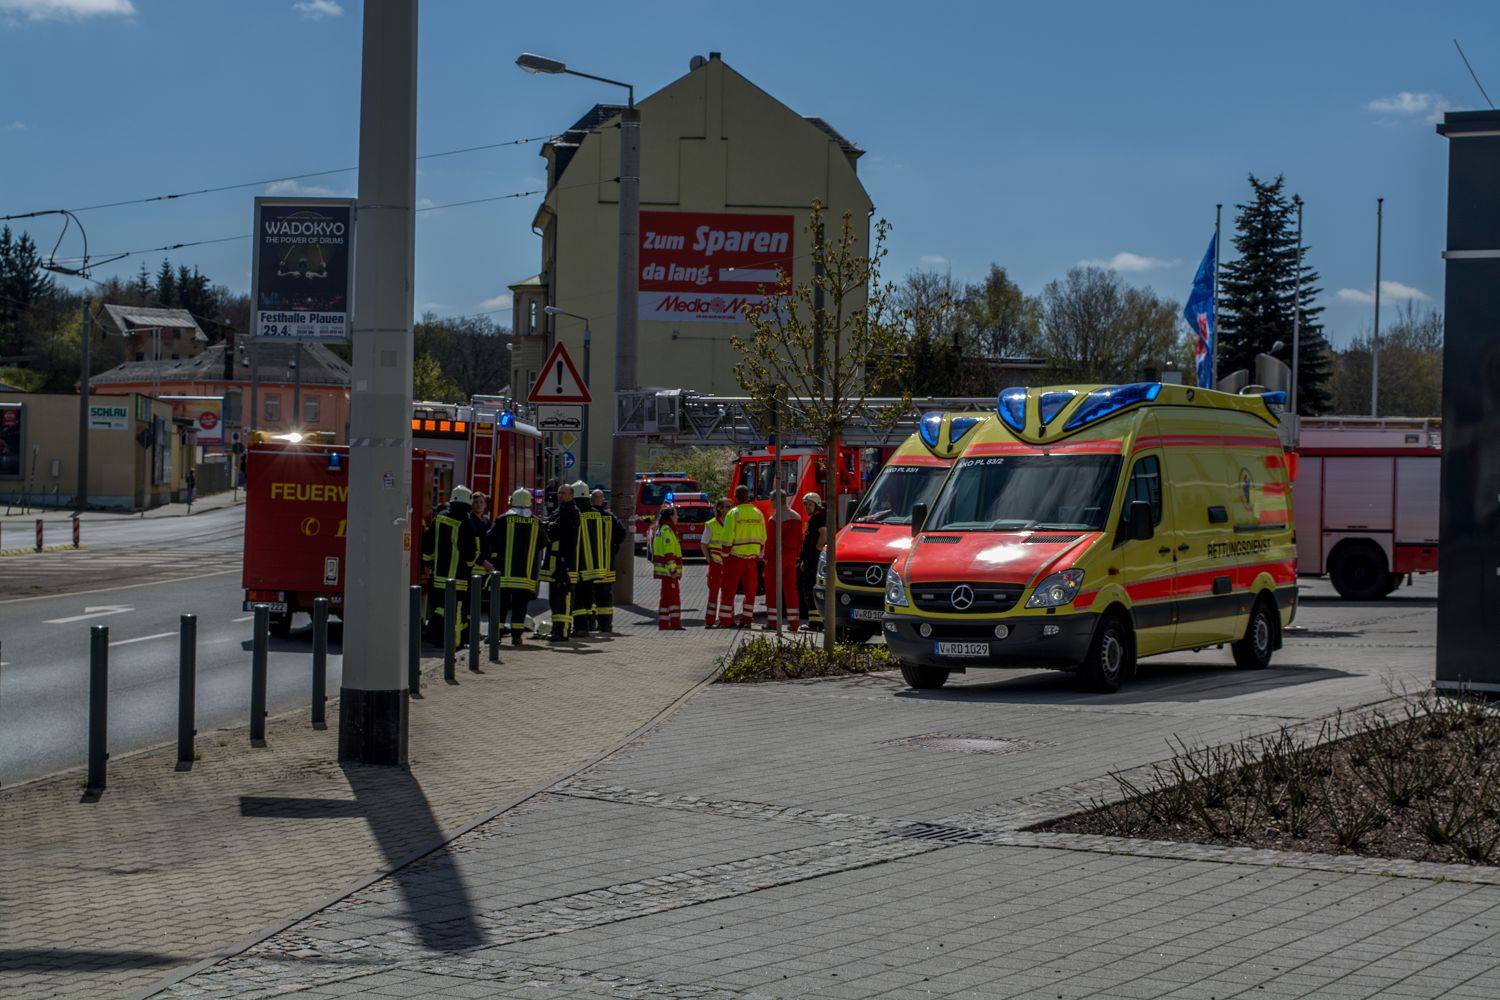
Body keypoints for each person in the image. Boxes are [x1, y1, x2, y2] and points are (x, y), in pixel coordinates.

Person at [421, 484, 482, 647]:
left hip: (439, 574)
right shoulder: (467, 523)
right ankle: (454, 642)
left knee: (441, 606)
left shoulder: (439, 518)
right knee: (457, 610)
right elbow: (470, 553)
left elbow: (429, 542)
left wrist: (426, 562)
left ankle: (434, 636)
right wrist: (470, 564)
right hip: (458, 576)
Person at [488, 488, 547, 646]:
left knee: (500, 606)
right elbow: (542, 543)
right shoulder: (536, 522)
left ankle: (496, 636)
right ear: (529, 503)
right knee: (520, 607)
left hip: (504, 575)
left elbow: (490, 540)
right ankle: (516, 637)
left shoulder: (502, 520)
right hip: (526, 576)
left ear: (512, 501)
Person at [720, 484, 766, 628]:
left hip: (734, 558)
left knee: (729, 590)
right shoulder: (758, 513)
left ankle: (726, 621)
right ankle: (747, 619)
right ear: (748, 496)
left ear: (736, 496)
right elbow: (763, 538)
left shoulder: (733, 513)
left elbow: (727, 538)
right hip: (751, 559)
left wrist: (725, 555)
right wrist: (758, 554)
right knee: (751, 590)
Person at [584, 488, 626, 635]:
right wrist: (612, 547)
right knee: (605, 597)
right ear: (601, 500)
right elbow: (621, 534)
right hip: (607, 564)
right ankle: (606, 626)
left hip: (589, 565)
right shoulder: (610, 517)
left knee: (590, 596)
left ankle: (590, 624)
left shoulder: (585, 516)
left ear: (591, 500)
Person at [543, 482, 580, 642]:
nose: (560, 496)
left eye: (563, 493)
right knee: (554, 599)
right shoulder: (559, 511)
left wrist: (550, 527)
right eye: (559, 493)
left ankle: (563, 631)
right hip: (555, 563)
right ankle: (556, 629)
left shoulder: (572, 512)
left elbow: (565, 535)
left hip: (565, 563)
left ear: (571, 495)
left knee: (564, 599)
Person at [767, 490, 804, 631]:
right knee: (791, 589)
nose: (770, 503)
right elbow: (800, 539)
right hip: (792, 556)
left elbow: (770, 543)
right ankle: (794, 623)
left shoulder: (774, 519)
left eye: (771, 500)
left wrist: (766, 558)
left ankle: (772, 622)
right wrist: (797, 556)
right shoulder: (797, 516)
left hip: (777, 556)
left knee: (772, 588)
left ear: (776, 500)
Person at [568, 480, 597, 634]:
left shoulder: (574, 513)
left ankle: (580, 627)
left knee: (578, 596)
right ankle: (591, 623)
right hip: (594, 565)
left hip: (578, 564)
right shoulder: (598, 515)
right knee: (590, 596)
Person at [651, 505, 685, 630]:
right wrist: (673, 571)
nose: (678, 517)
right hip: (669, 572)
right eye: (676, 514)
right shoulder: (667, 531)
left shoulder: (662, 529)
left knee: (665, 598)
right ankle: (675, 623)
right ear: (670, 516)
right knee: (674, 597)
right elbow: (669, 554)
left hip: (665, 573)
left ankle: (664, 623)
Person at [701, 497, 733, 629]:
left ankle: (727, 620)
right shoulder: (711, 524)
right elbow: (704, 544)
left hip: (729, 564)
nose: (730, 509)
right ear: (720, 509)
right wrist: (709, 559)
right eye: (728, 507)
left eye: (730, 506)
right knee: (713, 593)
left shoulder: (732, 522)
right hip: (716, 564)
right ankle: (710, 620)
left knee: (728, 593)